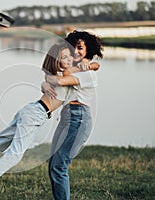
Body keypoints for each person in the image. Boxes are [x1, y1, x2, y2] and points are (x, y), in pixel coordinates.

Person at [0, 42, 97, 200]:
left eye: (69, 56)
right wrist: (51, 81)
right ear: (56, 61)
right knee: (16, 153)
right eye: (63, 57)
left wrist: (88, 65)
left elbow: (94, 66)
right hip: (35, 114)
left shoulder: (62, 74)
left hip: (31, 110)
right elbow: (59, 80)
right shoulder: (61, 76)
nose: (68, 59)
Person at [42, 30, 104, 200]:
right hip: (67, 116)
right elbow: (53, 78)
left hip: (79, 118)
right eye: (72, 48)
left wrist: (89, 65)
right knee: (53, 164)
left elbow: (58, 80)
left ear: (88, 49)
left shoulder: (89, 74)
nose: (75, 52)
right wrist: (44, 83)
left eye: (80, 48)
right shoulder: (77, 68)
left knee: (59, 165)